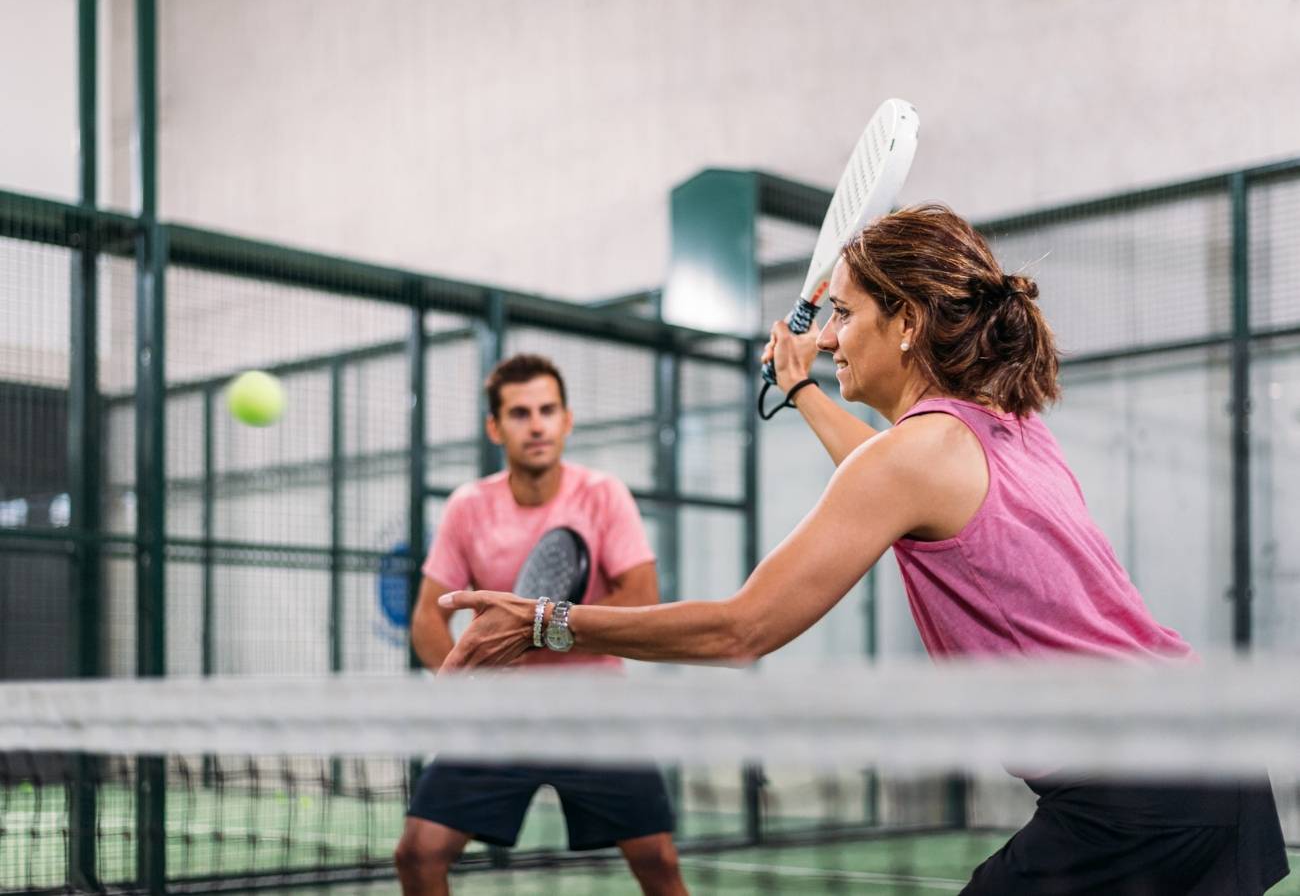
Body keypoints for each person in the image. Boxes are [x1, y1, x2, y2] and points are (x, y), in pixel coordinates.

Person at [437, 206, 1291, 895]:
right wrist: (803, 385)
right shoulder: (1005, 428)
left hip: (1135, 796)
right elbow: (883, 477)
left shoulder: (915, 456)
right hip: (1208, 760)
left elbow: (743, 630)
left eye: (845, 313)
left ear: (909, 322)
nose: (833, 332)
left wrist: (546, 623)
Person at [394, 354, 686, 896]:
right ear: (495, 426)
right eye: (520, 412)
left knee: (659, 864)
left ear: (567, 420)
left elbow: (642, 597)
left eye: (548, 410)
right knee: (417, 854)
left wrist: (534, 630)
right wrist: (464, 682)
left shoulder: (602, 495)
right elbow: (428, 620)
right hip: (500, 718)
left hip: (595, 712)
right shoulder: (468, 507)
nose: (536, 424)